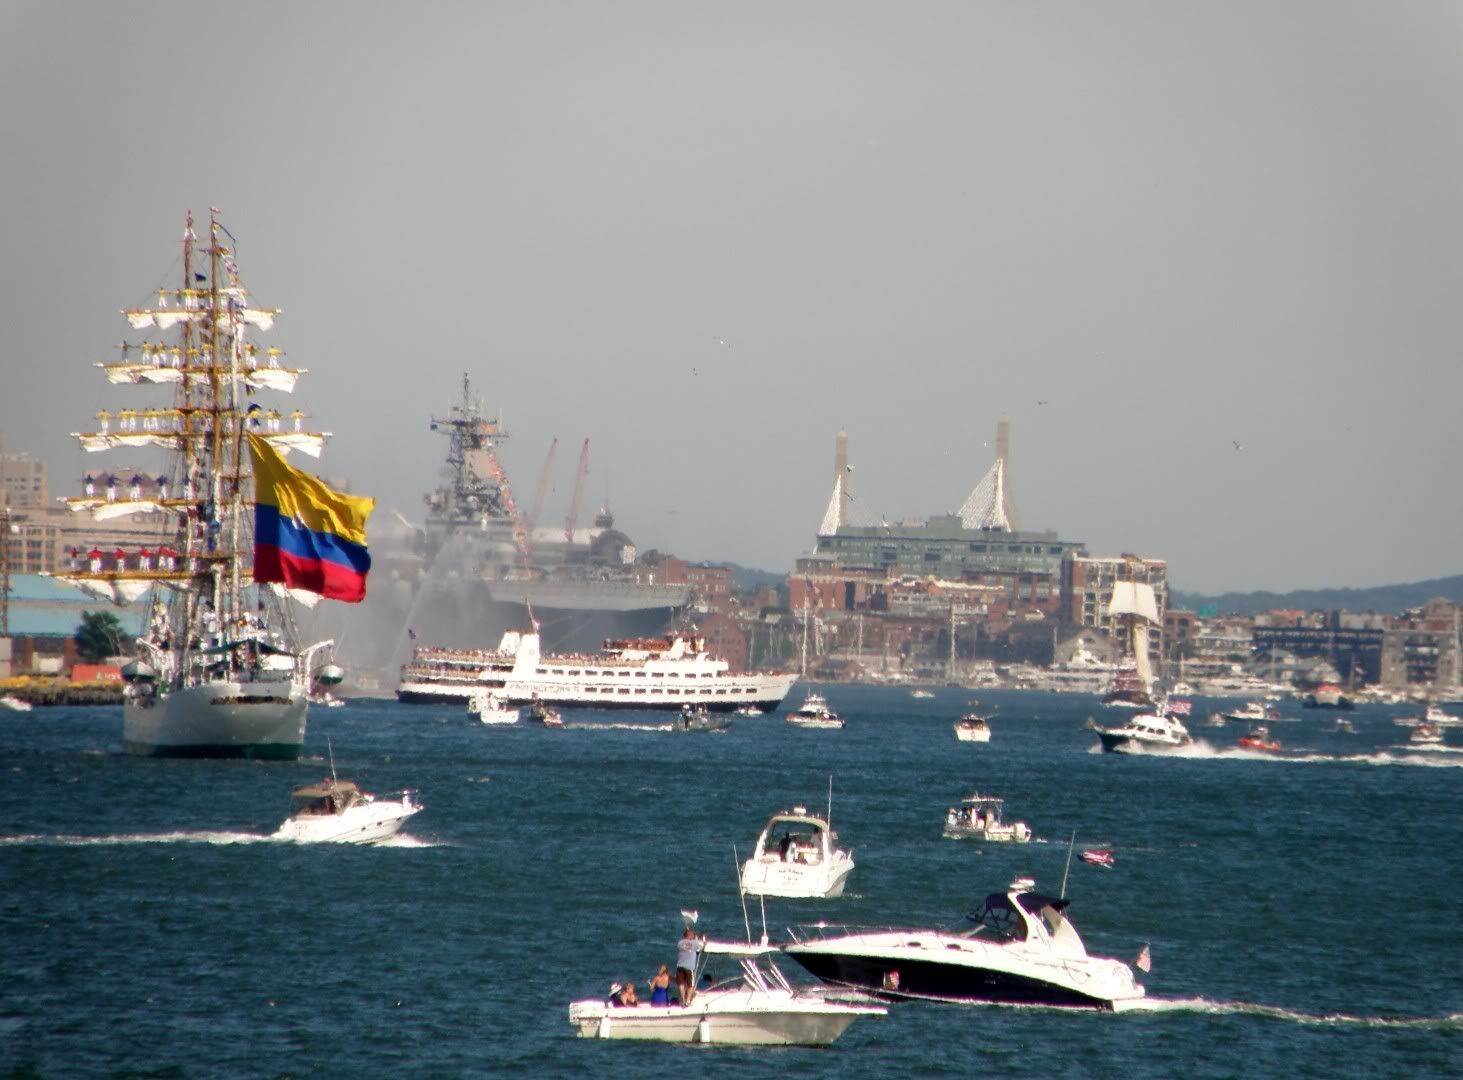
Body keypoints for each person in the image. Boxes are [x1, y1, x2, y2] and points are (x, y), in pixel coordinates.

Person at [675, 927, 703, 1005]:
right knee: (691, 984)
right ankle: (688, 1000)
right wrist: (698, 939)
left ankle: (683, 1000)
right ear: (690, 935)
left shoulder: (680, 943)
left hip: (680, 966)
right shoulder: (694, 943)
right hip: (689, 967)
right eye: (692, 935)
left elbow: (690, 946)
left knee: (681, 984)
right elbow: (700, 947)